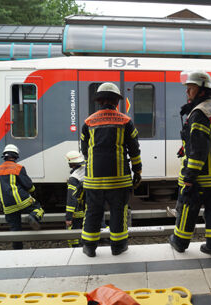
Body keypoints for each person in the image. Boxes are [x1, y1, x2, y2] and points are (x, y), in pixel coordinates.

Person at [168, 71, 211, 258]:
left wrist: (189, 176)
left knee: (187, 206)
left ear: (201, 89)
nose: (187, 92)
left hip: (202, 174)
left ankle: (180, 242)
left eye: (191, 88)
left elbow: (199, 149)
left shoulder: (199, 113)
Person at [80, 82, 142, 257]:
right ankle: (118, 246)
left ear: (99, 101)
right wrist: (137, 171)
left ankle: (89, 248)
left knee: (92, 212)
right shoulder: (126, 121)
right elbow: (134, 150)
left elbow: (85, 151)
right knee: (118, 212)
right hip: (119, 180)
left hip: (93, 180)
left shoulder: (88, 122)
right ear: (116, 102)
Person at [0, 144, 44, 249]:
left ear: (4, 156)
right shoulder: (18, 168)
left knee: (15, 230)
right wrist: (33, 191)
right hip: (22, 201)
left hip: (7, 206)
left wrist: (1, 202)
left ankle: (17, 250)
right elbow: (28, 185)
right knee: (38, 208)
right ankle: (33, 217)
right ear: (16, 156)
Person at [64, 151, 86, 247]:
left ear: (71, 163)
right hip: (89, 205)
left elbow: (71, 199)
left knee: (72, 230)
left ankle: (74, 248)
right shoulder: (87, 169)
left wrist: (69, 217)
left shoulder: (74, 178)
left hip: (78, 208)